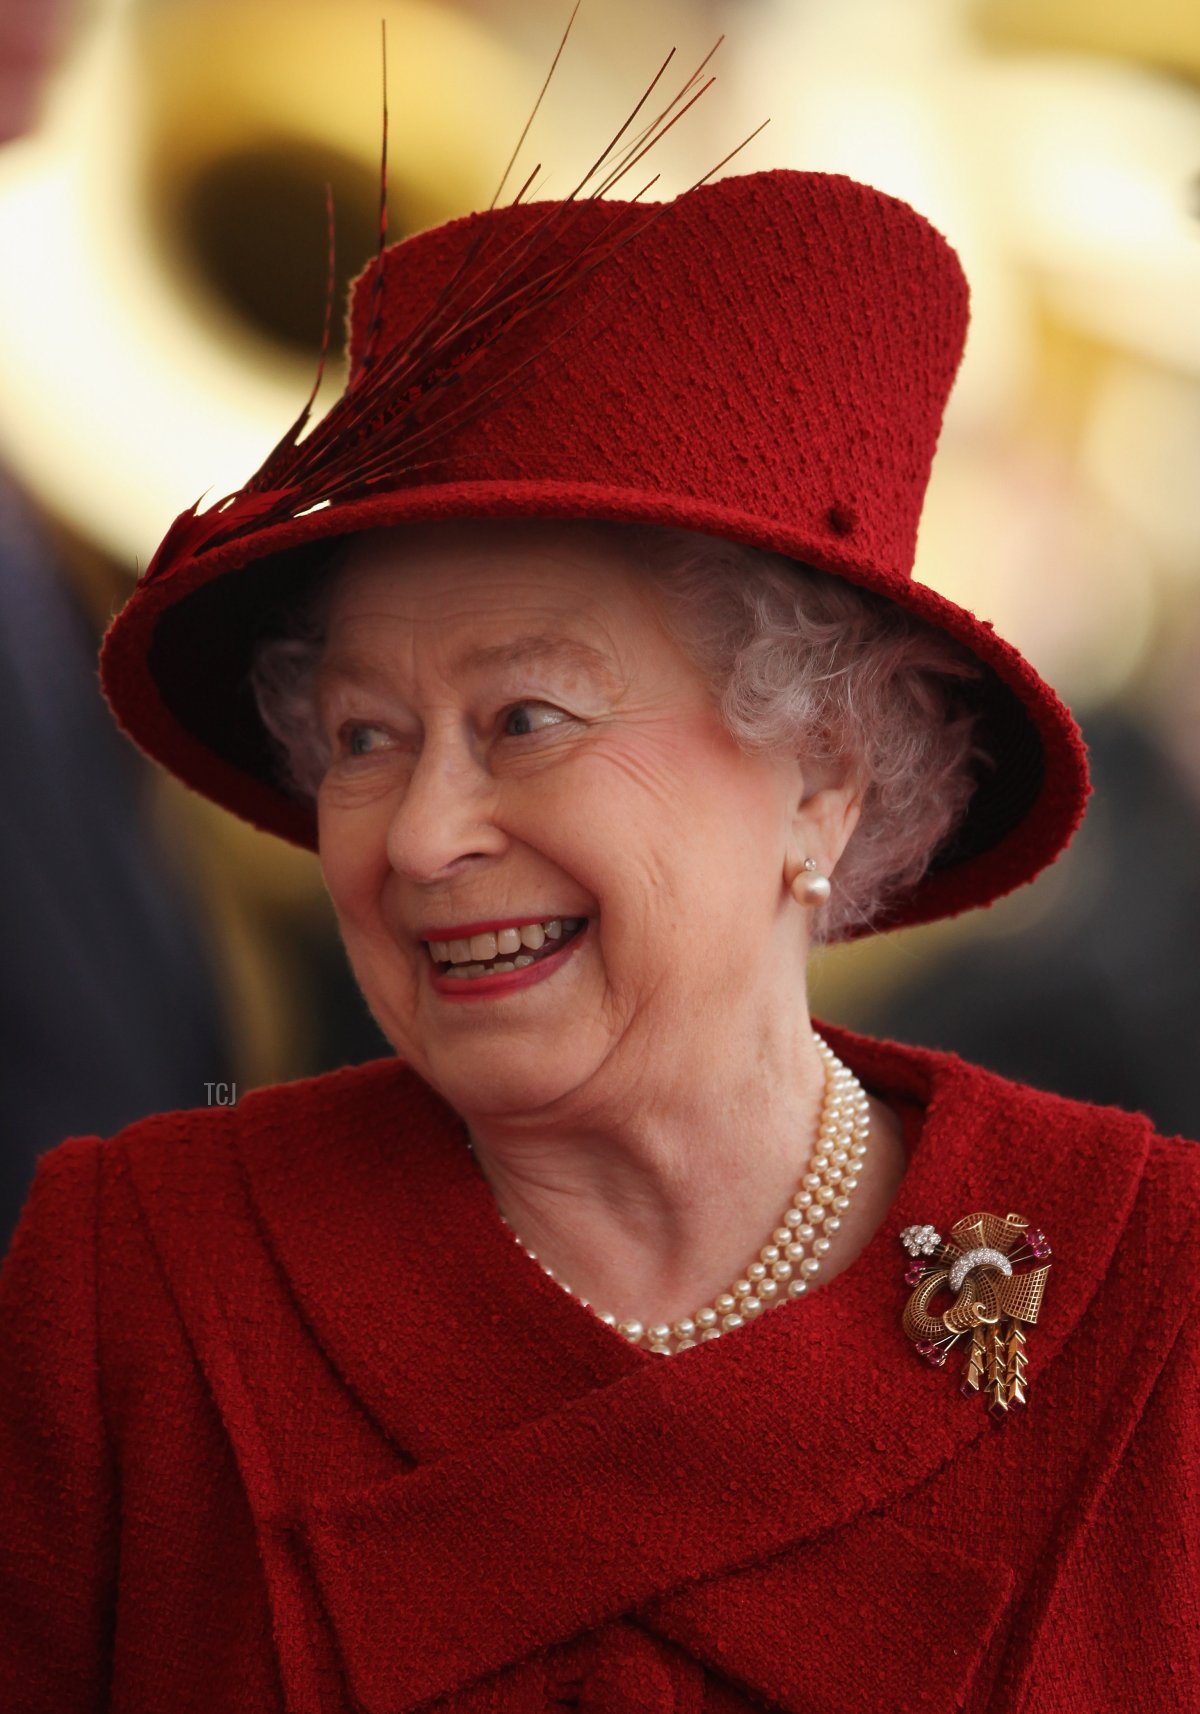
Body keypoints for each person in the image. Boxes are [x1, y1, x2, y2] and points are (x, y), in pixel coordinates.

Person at [1, 154, 1196, 1713]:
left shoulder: (1148, 1294)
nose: (421, 834)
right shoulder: (137, 1271)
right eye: (363, 737)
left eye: (526, 717)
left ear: (823, 772)